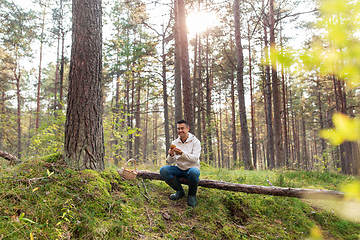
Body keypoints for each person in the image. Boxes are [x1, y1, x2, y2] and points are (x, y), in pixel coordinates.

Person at [160, 119, 201, 207]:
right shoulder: (175, 142)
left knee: (194, 172)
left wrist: (181, 153)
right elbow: (170, 161)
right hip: (179, 168)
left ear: (188, 129)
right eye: (178, 129)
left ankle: (192, 195)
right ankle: (179, 191)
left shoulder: (195, 142)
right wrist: (170, 155)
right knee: (163, 170)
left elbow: (194, 159)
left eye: (182, 128)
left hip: (192, 168)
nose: (180, 131)